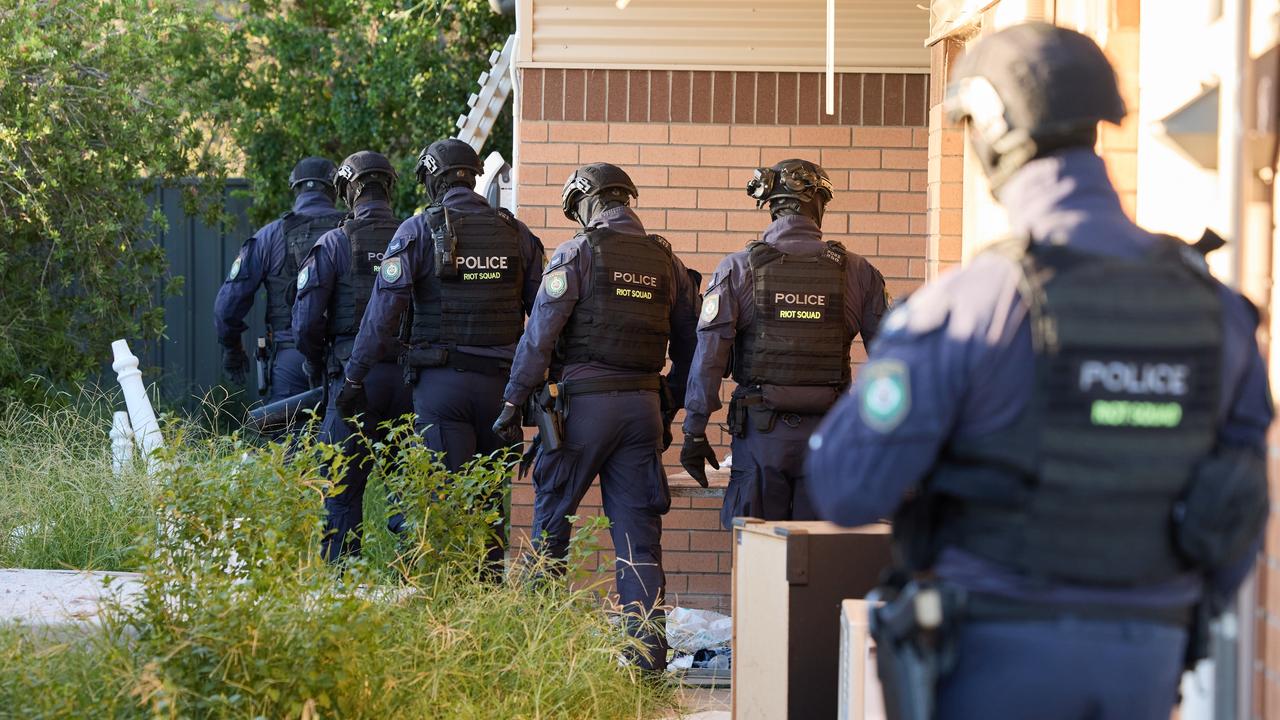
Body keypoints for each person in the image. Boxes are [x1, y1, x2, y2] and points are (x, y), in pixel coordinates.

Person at [804, 23, 1273, 720]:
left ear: (994, 127)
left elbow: (845, 488)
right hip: (1147, 661)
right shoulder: (1216, 312)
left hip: (995, 657)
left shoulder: (973, 305)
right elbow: (1240, 512)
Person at [490, 162, 700, 671]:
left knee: (552, 524)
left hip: (581, 409)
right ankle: (648, 658)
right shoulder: (666, 262)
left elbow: (539, 336)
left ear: (587, 203)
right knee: (638, 537)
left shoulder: (578, 252)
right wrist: (667, 402)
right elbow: (692, 344)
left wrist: (513, 402)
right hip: (641, 411)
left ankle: (538, 653)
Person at [344, 138, 545, 568]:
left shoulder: (416, 231)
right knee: (490, 505)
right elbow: (543, 324)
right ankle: (490, 598)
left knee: (449, 504)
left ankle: (451, 607)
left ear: (433, 178)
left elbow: (381, 319)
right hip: (503, 392)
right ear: (472, 176)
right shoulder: (516, 233)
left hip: (442, 387)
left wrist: (354, 377)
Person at [680, 159, 888, 528]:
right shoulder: (859, 271)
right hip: (830, 436)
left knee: (758, 558)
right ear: (819, 205)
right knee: (821, 557)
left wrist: (695, 430)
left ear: (771, 206)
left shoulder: (737, 268)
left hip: (762, 436)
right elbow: (890, 363)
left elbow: (709, 358)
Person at [291, 150, 411, 562]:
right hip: (412, 383)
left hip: (352, 385)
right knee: (410, 493)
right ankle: (416, 586)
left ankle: (345, 592)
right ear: (389, 187)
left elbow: (305, 324)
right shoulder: (416, 237)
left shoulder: (335, 243)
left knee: (341, 494)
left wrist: (317, 362)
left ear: (347, 191)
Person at [214, 157, 346, 402]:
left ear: (295, 189)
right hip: (350, 360)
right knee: (355, 438)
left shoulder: (270, 236)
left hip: (291, 358)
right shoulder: (353, 230)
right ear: (335, 189)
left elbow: (227, 307)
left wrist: (232, 348)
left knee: (289, 439)